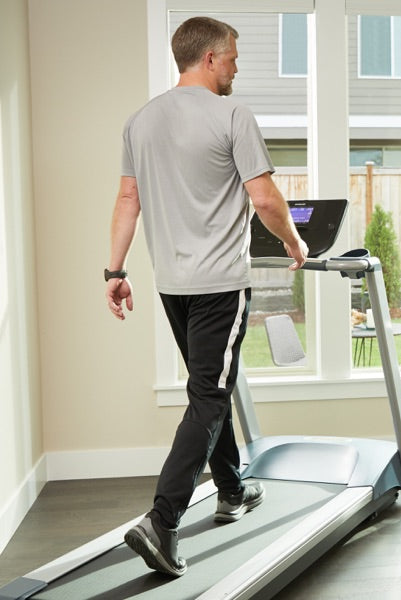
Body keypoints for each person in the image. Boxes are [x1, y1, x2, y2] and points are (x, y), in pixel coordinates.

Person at [104, 16, 309, 577]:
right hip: (220, 284)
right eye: (235, 58)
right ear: (212, 58)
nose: (237, 68)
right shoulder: (232, 115)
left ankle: (231, 489)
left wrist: (114, 270)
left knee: (209, 387)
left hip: (172, 285)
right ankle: (161, 521)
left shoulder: (139, 121)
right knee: (210, 397)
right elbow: (264, 197)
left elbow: (128, 200)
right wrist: (295, 241)